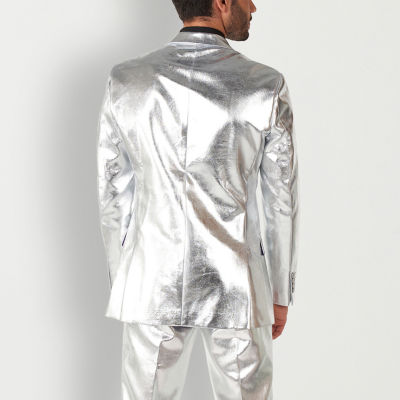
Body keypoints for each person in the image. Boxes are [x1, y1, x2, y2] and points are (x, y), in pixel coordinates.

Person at [96, 0, 300, 398]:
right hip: (238, 288)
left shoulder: (126, 81)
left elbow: (113, 192)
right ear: (222, 2)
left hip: (151, 282)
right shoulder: (264, 86)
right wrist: (279, 292)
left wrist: (128, 281)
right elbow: (281, 200)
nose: (253, 6)